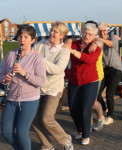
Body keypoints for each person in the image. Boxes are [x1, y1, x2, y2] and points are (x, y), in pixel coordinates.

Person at [0, 25, 46, 150]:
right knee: (6, 131)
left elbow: (41, 82)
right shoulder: (10, 55)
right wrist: (4, 79)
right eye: (20, 36)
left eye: (26, 37)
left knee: (21, 133)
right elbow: (1, 74)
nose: (22, 39)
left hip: (29, 100)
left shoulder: (37, 58)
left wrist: (25, 73)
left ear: (32, 40)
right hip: (11, 98)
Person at [32, 22, 73, 150]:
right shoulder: (40, 44)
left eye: (55, 31)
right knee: (34, 118)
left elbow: (58, 69)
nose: (51, 33)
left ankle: (65, 139)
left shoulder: (64, 51)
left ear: (62, 35)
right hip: (38, 87)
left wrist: (40, 60)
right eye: (51, 30)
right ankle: (47, 145)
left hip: (53, 88)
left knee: (46, 117)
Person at [64, 22, 101, 145]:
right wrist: (69, 41)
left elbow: (90, 60)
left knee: (85, 108)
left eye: (90, 34)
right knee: (73, 107)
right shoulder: (75, 43)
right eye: (85, 32)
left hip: (90, 81)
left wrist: (73, 52)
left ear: (94, 36)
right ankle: (80, 130)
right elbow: (65, 45)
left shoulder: (96, 47)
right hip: (74, 80)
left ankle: (86, 135)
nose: (87, 35)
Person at [97, 22, 122, 125]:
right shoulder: (98, 42)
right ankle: (104, 108)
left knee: (109, 94)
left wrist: (99, 39)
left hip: (115, 69)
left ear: (107, 31)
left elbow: (111, 44)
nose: (103, 33)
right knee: (97, 93)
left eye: (104, 31)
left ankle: (110, 116)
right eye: (100, 31)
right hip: (104, 69)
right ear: (98, 32)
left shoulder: (113, 38)